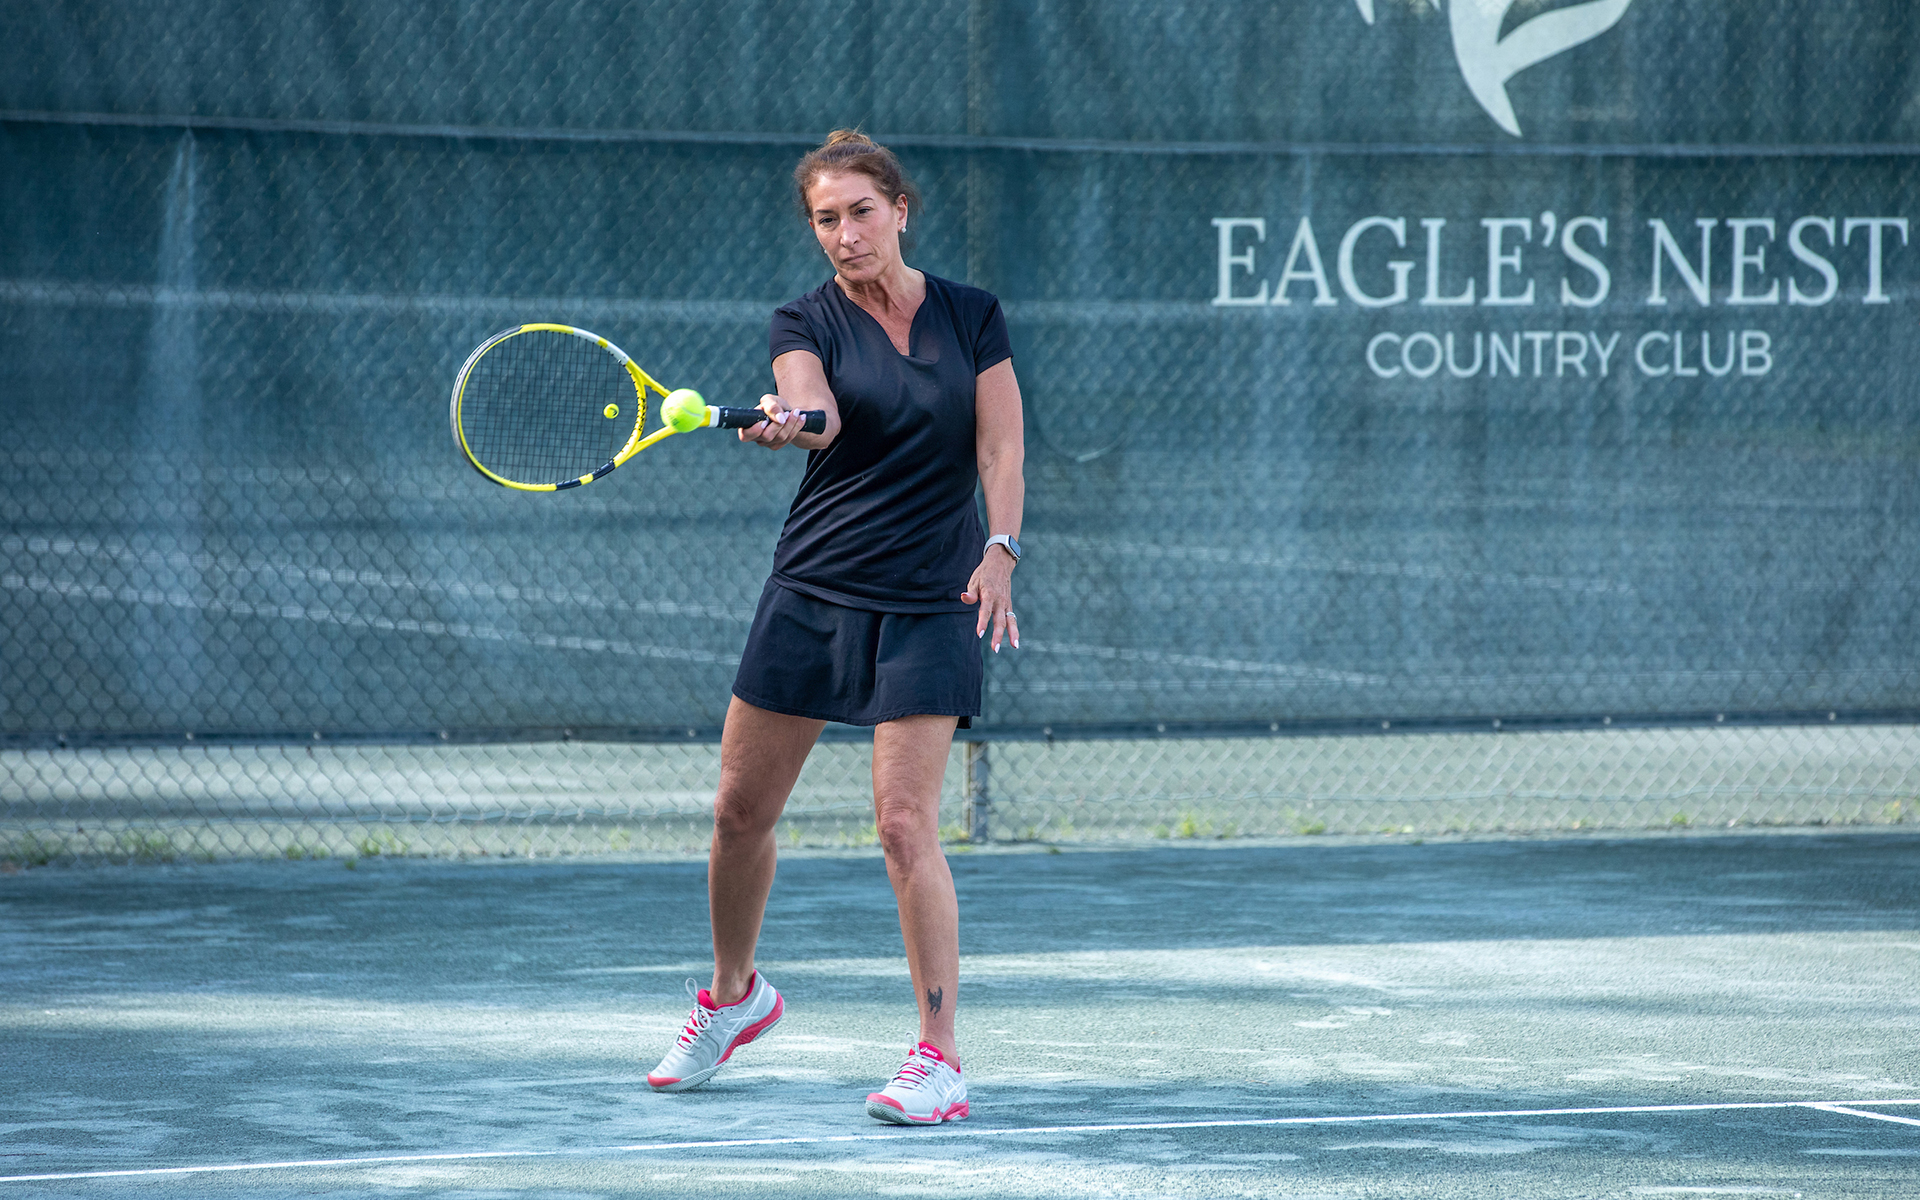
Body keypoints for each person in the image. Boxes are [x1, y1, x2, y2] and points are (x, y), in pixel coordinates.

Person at [644, 130, 1025, 1126]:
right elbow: (819, 410)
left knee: (903, 823)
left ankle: (939, 1057)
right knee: (738, 812)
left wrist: (1001, 548)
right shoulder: (803, 319)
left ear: (900, 210)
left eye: (860, 212)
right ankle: (735, 996)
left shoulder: (973, 315)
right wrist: (789, 419)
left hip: (933, 597)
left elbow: (1000, 449)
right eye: (826, 219)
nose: (845, 234)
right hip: (813, 589)